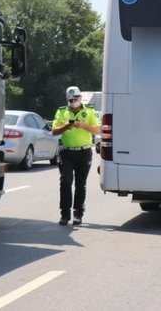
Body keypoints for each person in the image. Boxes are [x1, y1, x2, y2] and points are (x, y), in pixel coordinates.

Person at [52, 86, 100, 225]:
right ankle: (65, 215)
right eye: (70, 100)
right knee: (65, 182)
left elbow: (97, 130)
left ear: (80, 98)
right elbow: (54, 131)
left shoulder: (89, 111)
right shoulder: (62, 111)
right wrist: (66, 126)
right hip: (66, 152)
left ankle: (78, 213)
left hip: (84, 152)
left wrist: (83, 125)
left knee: (81, 184)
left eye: (75, 99)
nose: (73, 102)